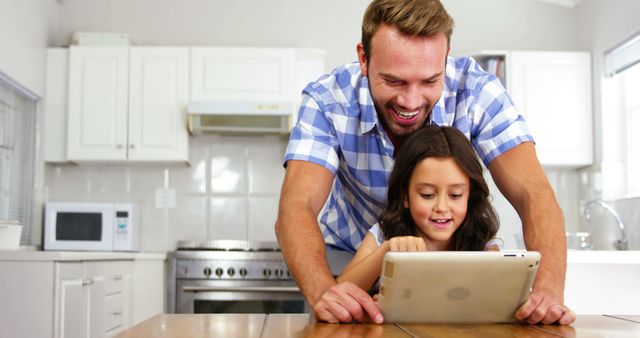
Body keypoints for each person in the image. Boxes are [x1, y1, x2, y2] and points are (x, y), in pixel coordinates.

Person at [275, 0, 574, 325]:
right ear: (364, 58)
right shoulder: (327, 100)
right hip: (348, 258)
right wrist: (324, 292)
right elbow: (297, 206)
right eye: (394, 81)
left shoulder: (477, 92)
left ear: (445, 59)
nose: (411, 101)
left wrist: (547, 291)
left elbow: (535, 195)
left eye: (430, 81)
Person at [337, 125, 500, 293]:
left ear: (470, 196)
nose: (442, 208)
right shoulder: (383, 235)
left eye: (456, 195)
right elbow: (339, 294)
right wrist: (385, 252)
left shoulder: (483, 243)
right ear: (405, 197)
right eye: (427, 195)